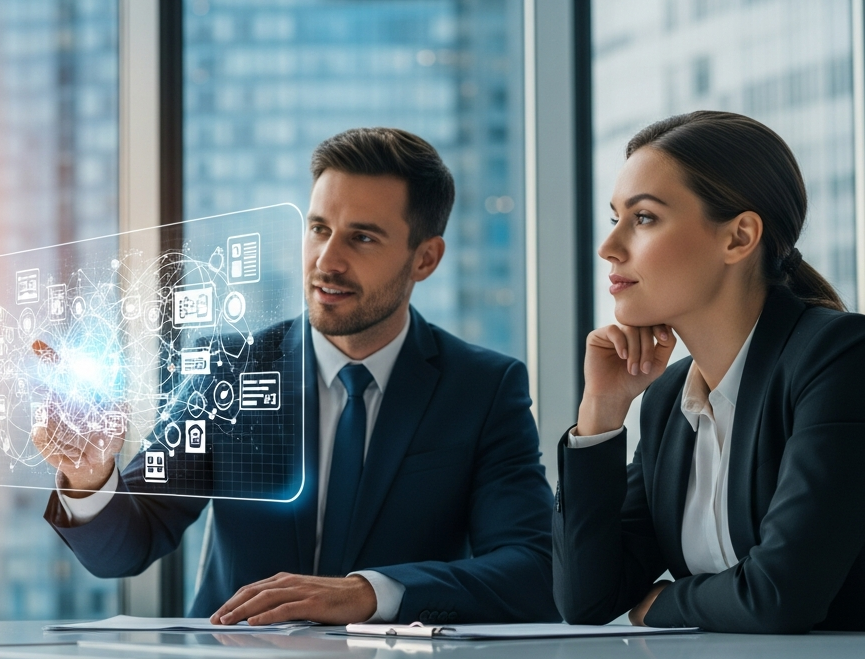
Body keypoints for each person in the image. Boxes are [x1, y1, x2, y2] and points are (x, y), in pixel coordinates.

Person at [33, 127, 559, 625]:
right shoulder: (228, 369)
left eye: (363, 238)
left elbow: (532, 569)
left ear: (425, 259)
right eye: (319, 229)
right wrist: (90, 477)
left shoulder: (483, 389)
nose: (327, 261)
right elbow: (127, 547)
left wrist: (370, 592)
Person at [554, 110, 865, 633]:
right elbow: (586, 599)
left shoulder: (843, 357)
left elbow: (779, 596)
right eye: (614, 219)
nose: (609, 247)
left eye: (643, 218)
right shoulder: (670, 398)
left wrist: (661, 605)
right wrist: (600, 413)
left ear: (738, 237)